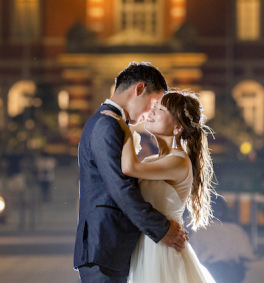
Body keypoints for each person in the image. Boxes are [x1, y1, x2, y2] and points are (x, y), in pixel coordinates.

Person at [74, 62, 187, 283]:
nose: (150, 113)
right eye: (154, 103)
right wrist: (163, 229)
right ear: (139, 89)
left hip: (109, 245)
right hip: (104, 244)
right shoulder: (107, 125)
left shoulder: (111, 123)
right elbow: (121, 188)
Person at [101, 89, 217, 283]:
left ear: (177, 127)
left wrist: (125, 126)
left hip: (162, 248)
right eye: (154, 107)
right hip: (147, 242)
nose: (152, 112)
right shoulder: (153, 159)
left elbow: (129, 167)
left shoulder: (178, 161)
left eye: (161, 109)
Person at [190, 198, 255, 283]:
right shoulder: (237, 230)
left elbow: (193, 256)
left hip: (210, 272)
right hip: (234, 274)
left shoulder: (201, 231)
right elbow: (248, 259)